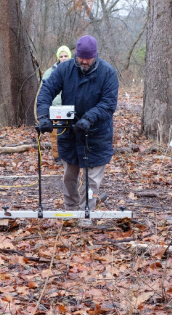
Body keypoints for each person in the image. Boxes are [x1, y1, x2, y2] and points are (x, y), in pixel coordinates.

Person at [36, 35, 118, 221]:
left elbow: (108, 104)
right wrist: (44, 116)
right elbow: (46, 90)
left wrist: (89, 118)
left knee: (92, 181)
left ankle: (85, 214)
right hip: (70, 133)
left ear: (95, 56)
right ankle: (70, 210)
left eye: (87, 58)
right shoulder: (65, 69)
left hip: (97, 135)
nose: (83, 61)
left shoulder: (108, 73)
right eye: (81, 57)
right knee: (69, 177)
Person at [41, 45, 72, 165]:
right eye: (61, 56)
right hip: (54, 108)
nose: (64, 58)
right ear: (58, 58)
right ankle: (57, 156)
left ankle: (68, 156)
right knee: (55, 134)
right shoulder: (50, 72)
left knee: (69, 133)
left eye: (66, 56)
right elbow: (44, 92)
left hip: (69, 108)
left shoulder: (75, 71)